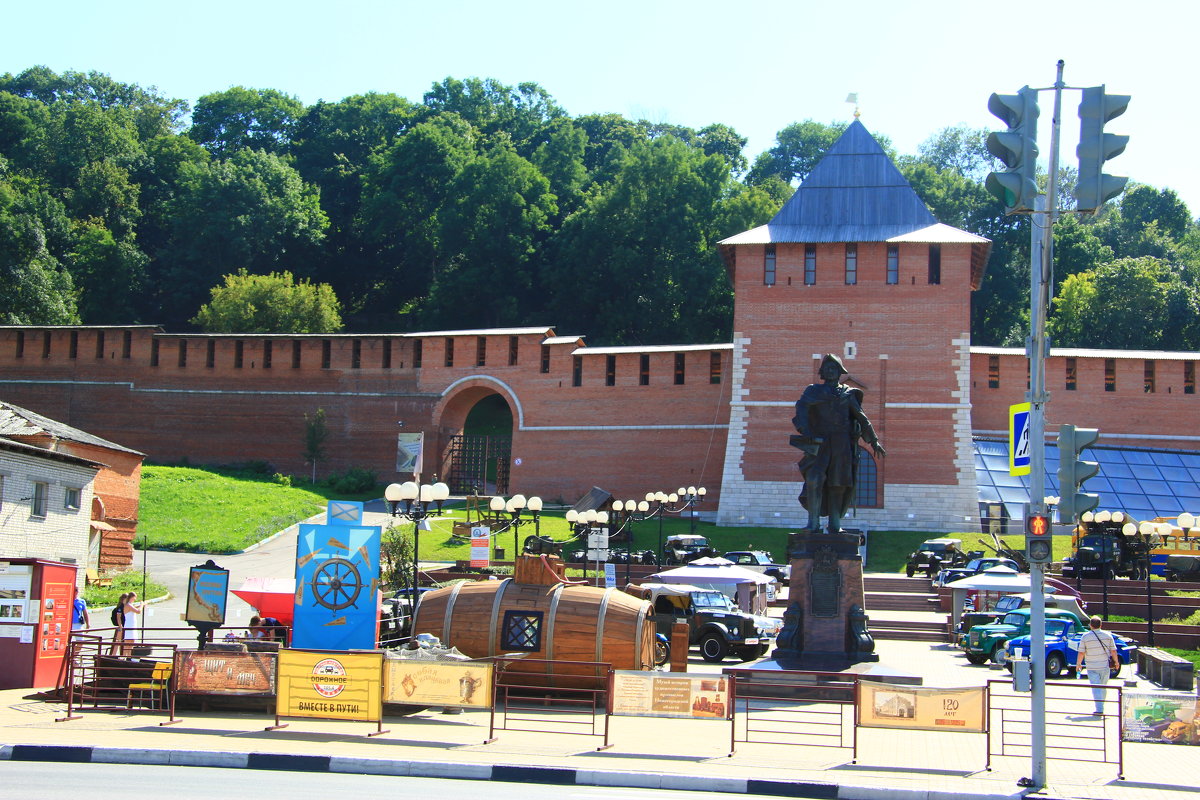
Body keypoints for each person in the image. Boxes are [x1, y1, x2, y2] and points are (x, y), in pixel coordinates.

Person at [791, 354, 886, 534]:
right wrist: (805, 431)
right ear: (822, 372)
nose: (830, 371)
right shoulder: (813, 392)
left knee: (838, 483)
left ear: (840, 372)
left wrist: (874, 441)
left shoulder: (848, 394)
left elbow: (862, 418)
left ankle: (835, 524)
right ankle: (813, 523)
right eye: (827, 368)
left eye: (834, 368)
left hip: (841, 444)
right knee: (814, 479)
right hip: (820, 442)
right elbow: (801, 409)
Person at [1076, 615, 1120, 715]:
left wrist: (1078, 664)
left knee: (1096, 688)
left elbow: (1081, 652)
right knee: (1103, 687)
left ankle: (1099, 709)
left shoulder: (1085, 637)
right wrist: (1116, 662)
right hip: (1104, 666)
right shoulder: (1108, 636)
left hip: (1091, 667)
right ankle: (1101, 705)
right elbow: (1113, 651)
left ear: (1090, 625)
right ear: (1101, 625)